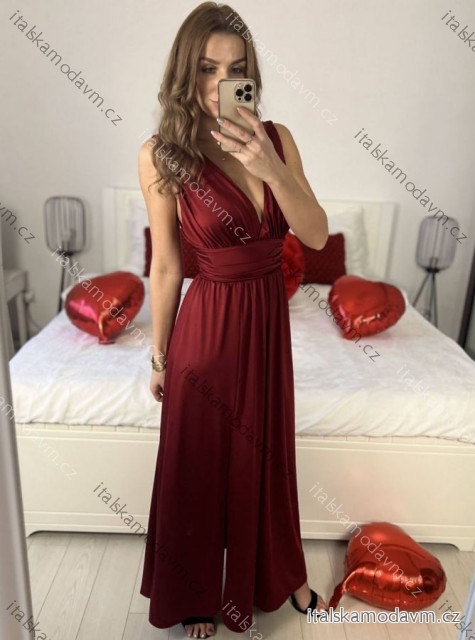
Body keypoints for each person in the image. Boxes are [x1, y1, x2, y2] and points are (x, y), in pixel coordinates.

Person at [138, 3, 329, 638]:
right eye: (207, 68)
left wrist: (267, 167)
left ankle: (281, 575)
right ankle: (194, 595)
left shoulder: (277, 139)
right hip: (209, 327)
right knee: (195, 462)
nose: (222, 81)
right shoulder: (162, 155)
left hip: (268, 326)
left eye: (236, 68)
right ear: (184, 73)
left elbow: (315, 234)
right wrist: (159, 355)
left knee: (269, 457)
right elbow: (167, 266)